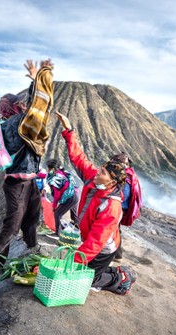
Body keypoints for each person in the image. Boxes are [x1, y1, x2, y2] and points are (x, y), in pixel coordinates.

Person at [55, 111, 137, 295]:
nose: (98, 174)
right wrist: (69, 131)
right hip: (92, 244)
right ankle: (115, 271)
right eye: (100, 170)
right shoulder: (93, 179)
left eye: (103, 174)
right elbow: (79, 157)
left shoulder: (111, 207)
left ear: (112, 182)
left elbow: (95, 243)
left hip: (103, 249)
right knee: (84, 271)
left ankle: (121, 279)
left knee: (87, 280)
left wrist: (71, 261)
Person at [0, 60, 54, 268]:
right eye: (18, 104)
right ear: (12, 108)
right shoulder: (15, 124)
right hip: (18, 185)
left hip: (28, 181)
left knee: (31, 218)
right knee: (13, 223)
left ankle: (31, 249)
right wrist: (39, 79)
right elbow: (37, 109)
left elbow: (34, 111)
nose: (22, 105)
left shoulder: (14, 123)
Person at [109, 152, 141, 260]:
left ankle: (116, 253)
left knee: (113, 228)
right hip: (121, 206)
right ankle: (117, 253)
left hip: (120, 206)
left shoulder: (126, 176)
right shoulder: (129, 174)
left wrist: (115, 200)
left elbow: (125, 193)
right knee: (115, 229)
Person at [45, 159, 79, 235]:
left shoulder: (55, 178)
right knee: (74, 216)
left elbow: (56, 195)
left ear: (53, 169)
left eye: (48, 167)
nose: (46, 169)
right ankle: (78, 233)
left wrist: (54, 206)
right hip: (75, 194)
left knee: (57, 214)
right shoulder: (63, 173)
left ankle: (58, 233)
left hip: (70, 197)